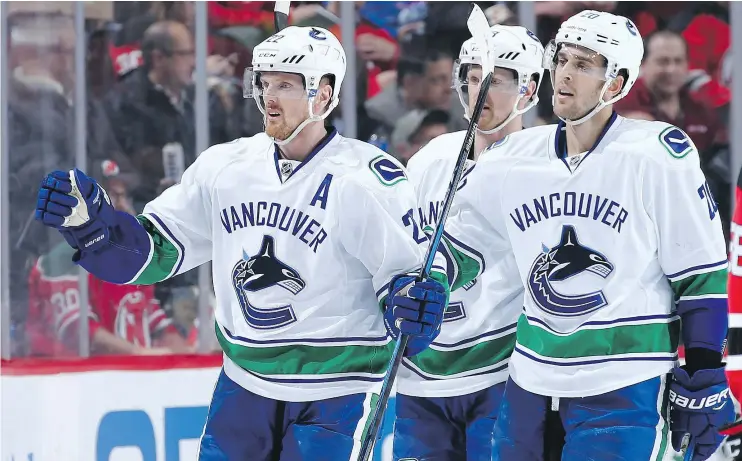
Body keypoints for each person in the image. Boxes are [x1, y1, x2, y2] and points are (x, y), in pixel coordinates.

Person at [33, 26, 448, 460]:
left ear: (324, 95)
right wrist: (94, 228)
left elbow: (413, 277)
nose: (270, 97)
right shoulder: (225, 167)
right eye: (265, 83)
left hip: (336, 392)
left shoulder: (366, 178)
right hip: (243, 387)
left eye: (286, 85)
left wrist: (416, 301)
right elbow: (154, 254)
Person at [435, 10, 733, 461]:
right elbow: (463, 249)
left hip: (625, 380)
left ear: (615, 83)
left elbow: (700, 274)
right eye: (562, 60)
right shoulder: (512, 157)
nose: (565, 75)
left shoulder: (656, 155)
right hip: (529, 381)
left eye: (583, 65)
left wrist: (707, 369)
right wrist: (426, 285)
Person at [393, 25, 544, 461]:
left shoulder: (545, 165)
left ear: (529, 89)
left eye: (495, 80)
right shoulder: (430, 159)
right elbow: (404, 249)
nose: (481, 91)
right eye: (475, 78)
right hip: (422, 374)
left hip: (503, 373)